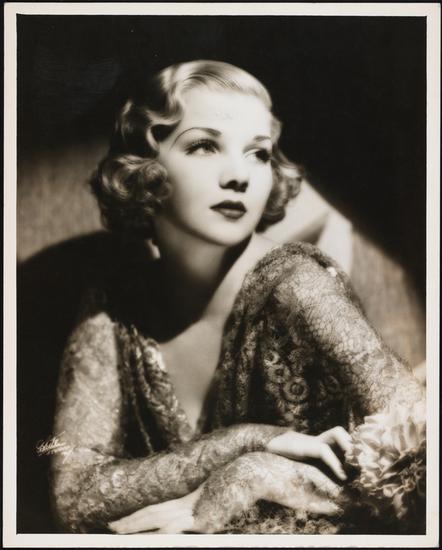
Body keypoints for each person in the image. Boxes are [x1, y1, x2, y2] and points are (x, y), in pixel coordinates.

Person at [50, 60, 424, 534]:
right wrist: (247, 441)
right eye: (204, 146)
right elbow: (73, 494)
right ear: (144, 168)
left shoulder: (297, 284)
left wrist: (249, 476)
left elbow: (420, 457)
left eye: (258, 153)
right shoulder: (113, 310)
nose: (239, 176)